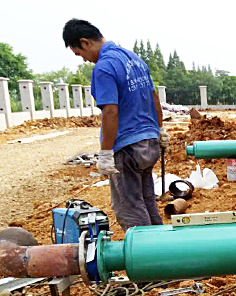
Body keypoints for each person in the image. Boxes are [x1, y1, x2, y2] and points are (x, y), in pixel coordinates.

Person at [62, 19, 169, 231]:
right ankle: (162, 248)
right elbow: (154, 97)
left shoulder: (104, 67)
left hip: (128, 148)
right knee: (147, 201)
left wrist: (105, 153)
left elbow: (111, 111)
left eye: (79, 54)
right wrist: (160, 129)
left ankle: (144, 251)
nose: (84, 60)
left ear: (85, 42)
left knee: (130, 209)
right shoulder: (134, 59)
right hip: (149, 144)